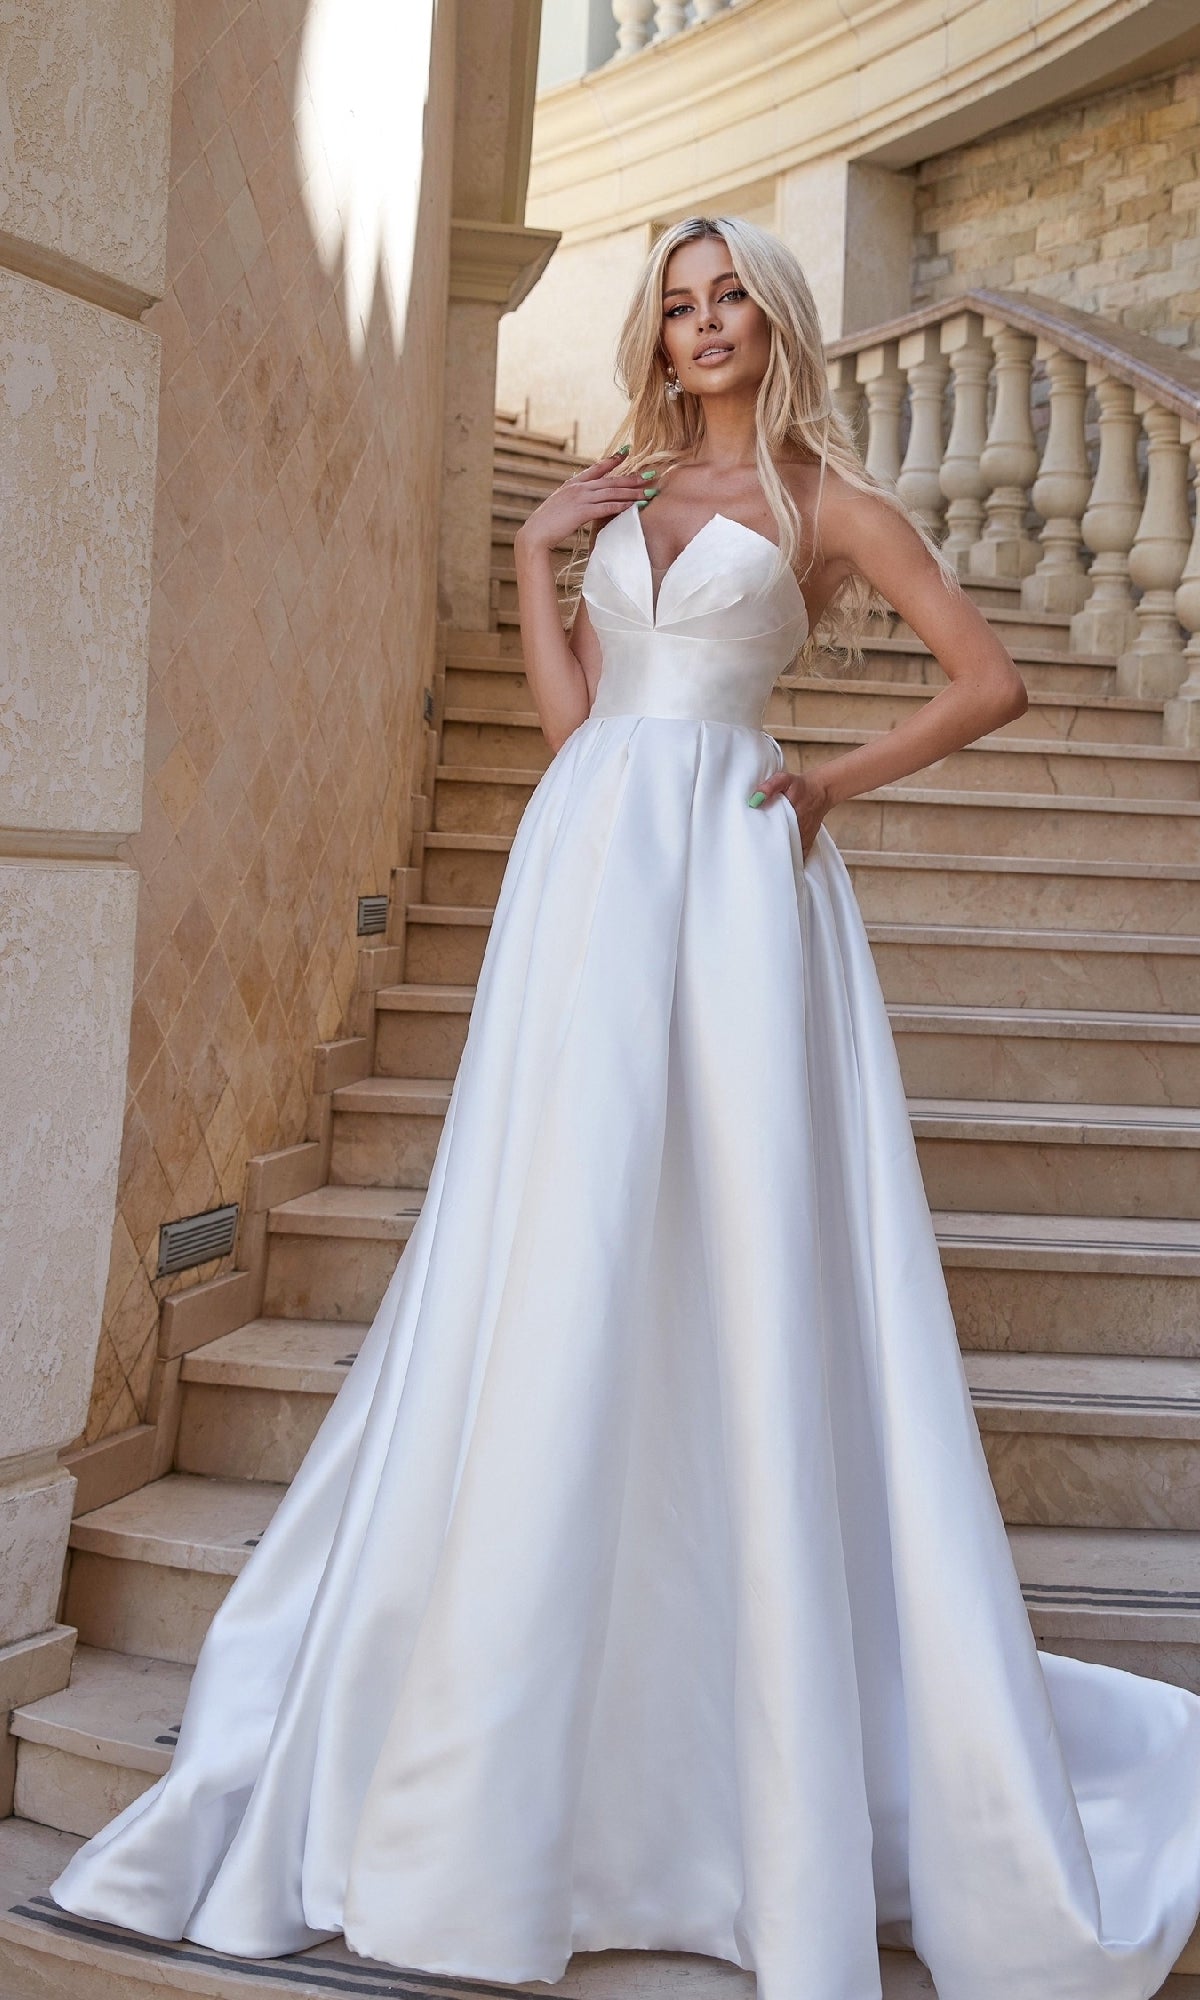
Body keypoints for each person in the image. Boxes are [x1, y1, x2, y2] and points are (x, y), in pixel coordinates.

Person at [49, 214, 1200, 2000]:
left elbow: (994, 680)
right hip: (585, 874)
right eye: (677, 301)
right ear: (655, 334)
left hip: (742, 886)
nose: (705, 321)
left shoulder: (826, 505)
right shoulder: (615, 492)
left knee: (731, 1242)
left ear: (776, 319)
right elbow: (580, 723)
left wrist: (825, 778)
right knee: (564, 1236)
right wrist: (531, 554)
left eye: (730, 294)